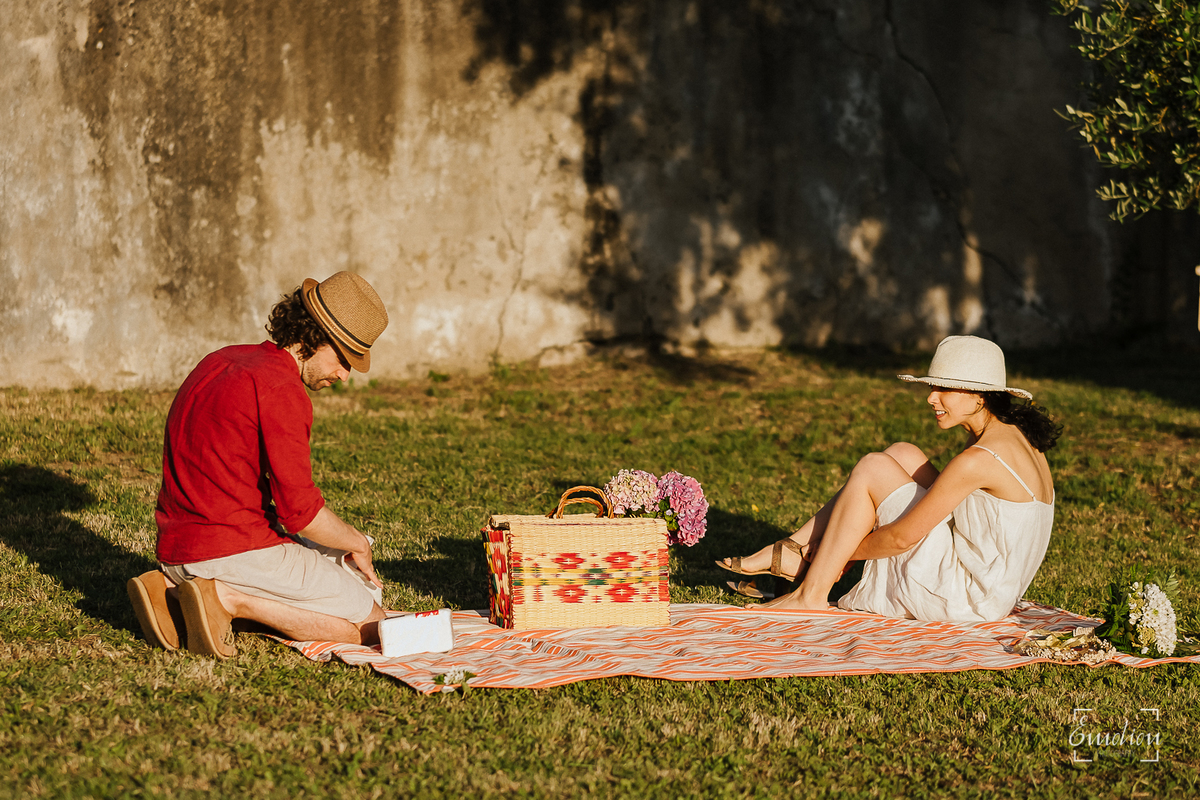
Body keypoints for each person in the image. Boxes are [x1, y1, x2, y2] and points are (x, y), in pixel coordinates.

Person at [126, 271, 391, 658]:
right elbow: (301, 514)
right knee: (372, 626)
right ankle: (228, 600)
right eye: (343, 359)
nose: (344, 374)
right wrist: (355, 543)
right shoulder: (281, 390)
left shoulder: (219, 361)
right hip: (234, 550)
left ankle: (171, 592)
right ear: (315, 338)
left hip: (176, 548)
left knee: (323, 577)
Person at [717, 335, 1060, 622]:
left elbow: (900, 540)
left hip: (967, 598)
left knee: (872, 467)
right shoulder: (1015, 436)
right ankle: (792, 550)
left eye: (944, 388)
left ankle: (811, 592)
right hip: (991, 587)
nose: (931, 397)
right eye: (932, 386)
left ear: (978, 396)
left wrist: (841, 553)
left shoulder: (979, 459)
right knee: (901, 453)